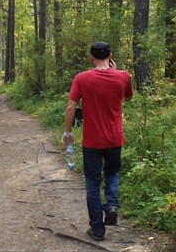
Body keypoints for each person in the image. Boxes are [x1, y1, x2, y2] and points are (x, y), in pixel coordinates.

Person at [63, 41, 133, 241]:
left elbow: (70, 107)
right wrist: (116, 73)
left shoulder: (82, 78)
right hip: (114, 140)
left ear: (91, 57)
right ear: (110, 55)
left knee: (93, 183)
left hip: (92, 142)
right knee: (112, 173)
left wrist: (68, 133)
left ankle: (97, 229)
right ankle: (111, 205)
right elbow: (127, 98)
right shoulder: (124, 76)